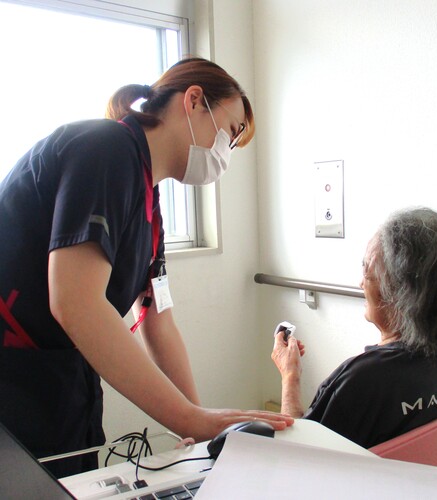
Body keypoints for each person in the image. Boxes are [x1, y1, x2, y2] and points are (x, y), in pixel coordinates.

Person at [0, 57, 292, 478]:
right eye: (230, 133)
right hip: (15, 380)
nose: (225, 154)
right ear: (194, 101)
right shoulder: (106, 150)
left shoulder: (149, 204)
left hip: (63, 383)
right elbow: (75, 302)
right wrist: (189, 418)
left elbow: (158, 320)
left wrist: (199, 425)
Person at [272, 207, 437, 449]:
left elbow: (296, 454)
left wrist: (290, 376)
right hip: (431, 474)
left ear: (400, 292)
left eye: (367, 272)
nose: (361, 283)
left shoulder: (362, 381)